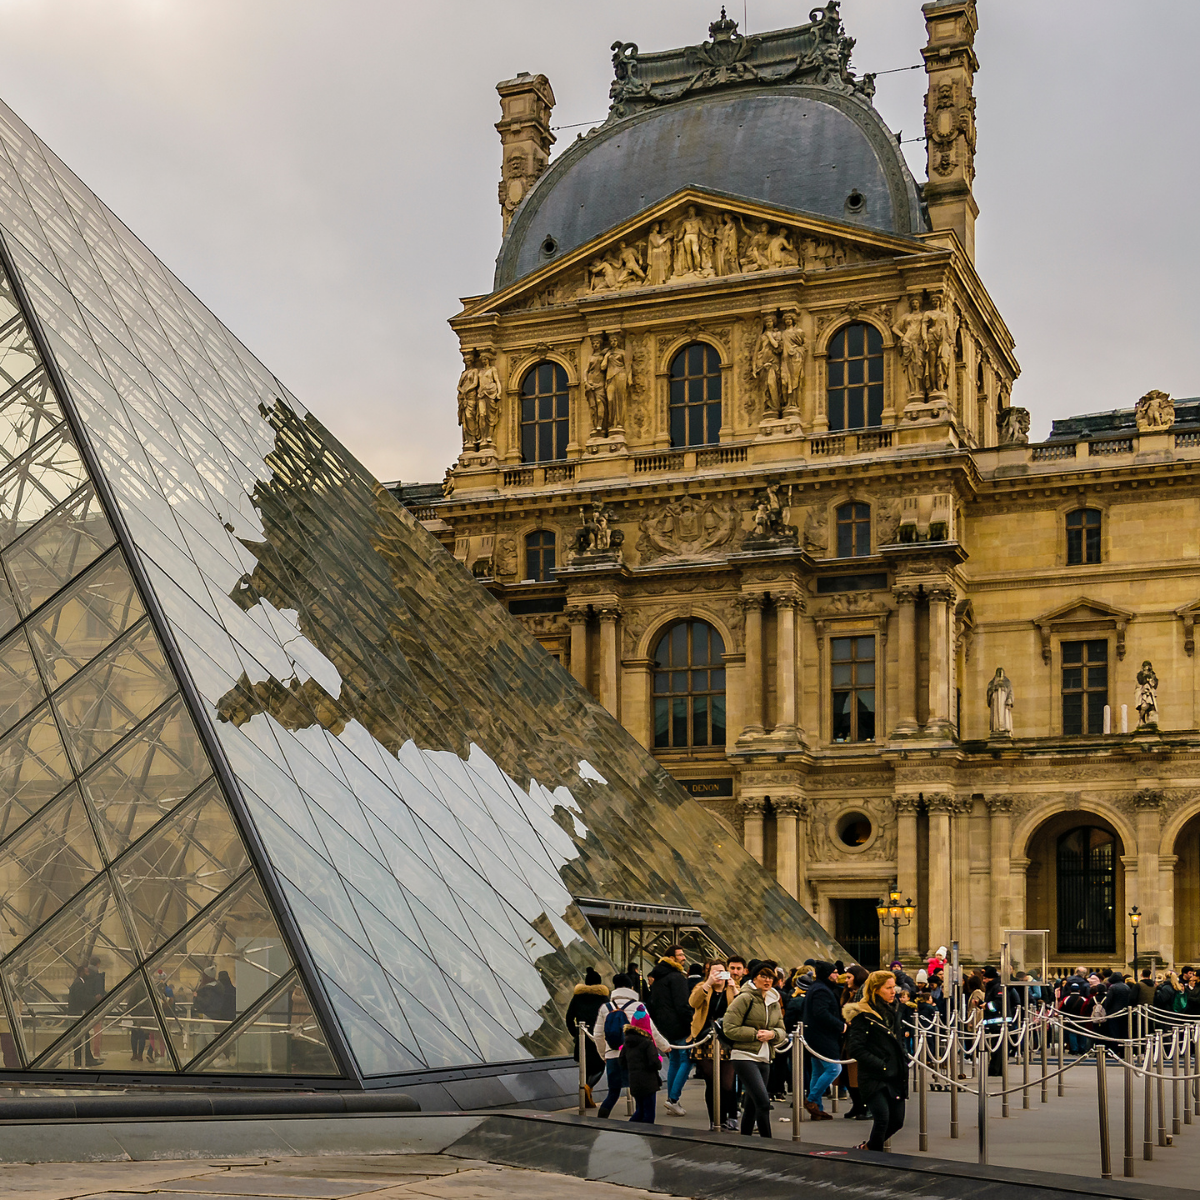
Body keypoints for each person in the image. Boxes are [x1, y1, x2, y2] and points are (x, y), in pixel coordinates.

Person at [845, 970, 908, 1152]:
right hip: (873, 1076)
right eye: (888, 988)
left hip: (895, 1074)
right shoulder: (862, 1014)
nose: (893, 991)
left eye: (893, 987)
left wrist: (902, 1057)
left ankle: (868, 1148)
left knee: (897, 1122)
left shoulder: (894, 1009)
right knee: (882, 1118)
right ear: (875, 989)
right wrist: (881, 1064)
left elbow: (899, 1038)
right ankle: (875, 1159)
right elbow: (856, 1048)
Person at [723, 960, 786, 1137]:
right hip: (744, 1055)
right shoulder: (744, 998)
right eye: (763, 976)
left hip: (765, 1056)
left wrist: (772, 1035)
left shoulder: (774, 999)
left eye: (770, 977)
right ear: (755, 978)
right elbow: (729, 1027)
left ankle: (746, 1143)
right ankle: (768, 1142)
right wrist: (756, 1034)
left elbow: (782, 1029)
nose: (767, 980)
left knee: (751, 1105)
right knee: (763, 1102)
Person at [592, 974, 668, 1118]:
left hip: (612, 1055)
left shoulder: (605, 1007)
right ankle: (638, 1127)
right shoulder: (638, 1006)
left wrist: (604, 1054)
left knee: (613, 1093)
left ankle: (600, 1121)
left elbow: (598, 1035)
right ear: (631, 988)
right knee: (639, 1095)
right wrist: (665, 1046)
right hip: (633, 1057)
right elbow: (651, 1030)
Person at [689, 960, 738, 1130]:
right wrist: (708, 983)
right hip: (706, 1039)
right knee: (712, 1082)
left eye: (721, 972)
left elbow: (742, 1010)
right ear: (707, 973)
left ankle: (728, 1117)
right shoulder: (702, 987)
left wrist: (734, 989)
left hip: (727, 1039)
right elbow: (693, 1003)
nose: (718, 976)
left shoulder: (732, 989)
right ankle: (715, 1120)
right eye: (714, 972)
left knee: (727, 1083)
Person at [648, 946, 693, 1116]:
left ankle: (671, 1099)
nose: (684, 957)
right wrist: (691, 1024)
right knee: (687, 1060)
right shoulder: (677, 978)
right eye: (680, 955)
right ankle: (673, 1099)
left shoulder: (658, 977)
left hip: (664, 1027)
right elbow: (682, 1004)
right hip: (680, 1026)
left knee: (674, 1060)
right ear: (671, 958)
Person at [801, 961, 845, 1120]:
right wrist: (840, 1025)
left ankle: (817, 1109)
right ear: (827, 974)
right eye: (834, 972)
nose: (837, 975)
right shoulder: (822, 990)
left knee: (818, 1071)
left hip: (814, 1035)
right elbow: (821, 1013)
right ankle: (812, 1100)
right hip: (822, 1036)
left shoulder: (817, 987)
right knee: (834, 1069)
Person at [565, 968, 610, 1108]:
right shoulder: (603, 998)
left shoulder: (578, 997)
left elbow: (569, 1018)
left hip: (582, 1036)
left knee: (586, 1067)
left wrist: (576, 1034)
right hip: (598, 1037)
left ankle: (587, 1096)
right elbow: (608, 1017)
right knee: (600, 1065)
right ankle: (588, 1087)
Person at [620, 1004, 662, 1123]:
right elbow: (654, 1062)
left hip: (634, 1081)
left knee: (640, 1110)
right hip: (648, 1082)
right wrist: (659, 1063)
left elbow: (622, 1061)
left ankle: (632, 1131)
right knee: (649, 1114)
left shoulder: (627, 1042)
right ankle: (643, 1135)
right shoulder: (647, 1043)